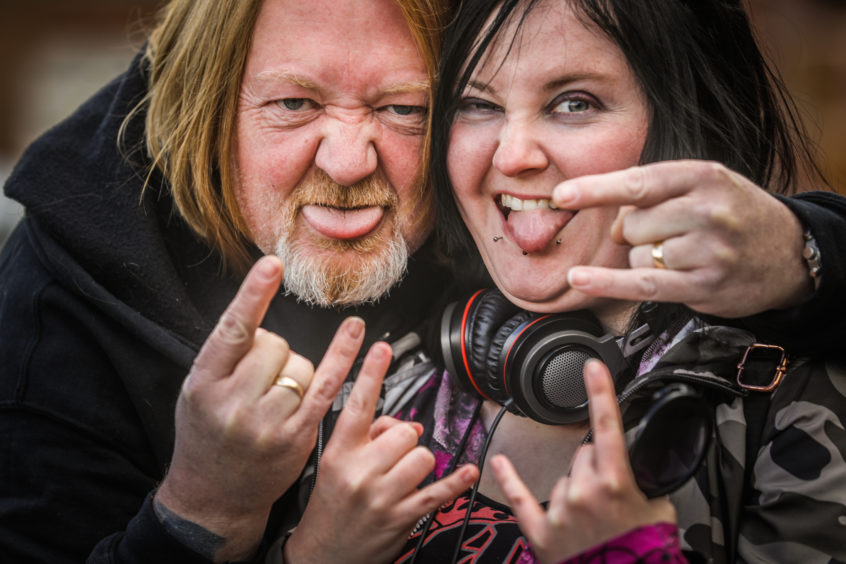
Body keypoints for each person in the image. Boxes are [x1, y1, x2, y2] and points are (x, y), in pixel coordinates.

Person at [0, 0, 844, 563]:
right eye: (293, 105)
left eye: (406, 109)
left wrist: (808, 250)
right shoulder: (66, 301)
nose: (347, 159)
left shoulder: (783, 384)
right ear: (206, 108)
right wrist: (213, 516)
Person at [386, 0, 843, 561]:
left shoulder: (793, 394)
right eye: (478, 103)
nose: (513, 154)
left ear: (688, 122)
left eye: (575, 103)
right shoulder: (390, 365)